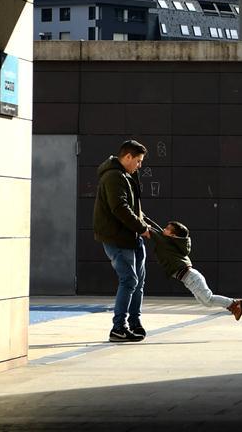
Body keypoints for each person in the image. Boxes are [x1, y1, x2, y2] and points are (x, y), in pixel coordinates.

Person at [93, 140, 150, 343]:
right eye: (138, 161)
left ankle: (134, 323)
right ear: (127, 157)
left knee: (138, 281)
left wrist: (144, 224)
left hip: (132, 237)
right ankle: (118, 328)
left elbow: (133, 209)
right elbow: (120, 208)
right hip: (118, 238)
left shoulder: (126, 176)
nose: (139, 165)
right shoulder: (114, 177)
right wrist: (141, 228)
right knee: (129, 280)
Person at [147, 219, 242, 320]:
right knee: (206, 302)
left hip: (191, 277)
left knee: (208, 300)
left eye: (167, 229)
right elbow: (157, 230)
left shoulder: (166, 243)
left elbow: (153, 232)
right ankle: (232, 305)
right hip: (189, 278)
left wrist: (145, 224)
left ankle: (233, 304)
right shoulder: (170, 242)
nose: (164, 229)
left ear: (173, 236)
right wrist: (144, 219)